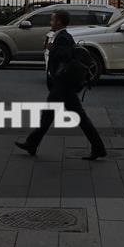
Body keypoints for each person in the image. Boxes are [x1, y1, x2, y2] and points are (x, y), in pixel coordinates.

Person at [15, 10, 106, 160]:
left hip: (63, 85)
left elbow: (65, 56)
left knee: (71, 116)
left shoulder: (63, 37)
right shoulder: (61, 36)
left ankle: (98, 148)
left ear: (59, 22)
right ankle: (32, 143)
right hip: (63, 84)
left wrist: (52, 49)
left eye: (52, 20)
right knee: (52, 115)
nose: (50, 22)